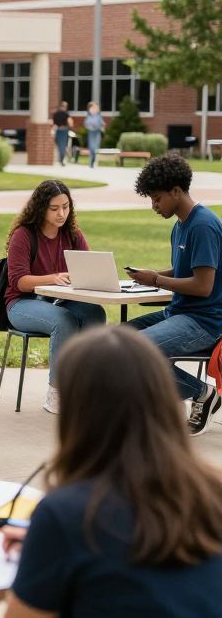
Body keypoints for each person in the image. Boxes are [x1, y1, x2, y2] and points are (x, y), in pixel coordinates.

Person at [2, 326, 222, 618]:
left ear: (78, 413)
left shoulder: (67, 514)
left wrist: (42, 555)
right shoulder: (213, 492)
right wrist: (45, 548)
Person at [125, 153, 222, 435]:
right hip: (179, 312)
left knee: (138, 350)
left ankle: (203, 393)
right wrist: (150, 275)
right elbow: (184, 271)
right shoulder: (180, 225)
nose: (154, 206)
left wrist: (156, 280)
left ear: (177, 191)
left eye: (157, 199)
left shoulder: (203, 225)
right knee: (116, 341)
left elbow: (203, 286)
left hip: (205, 321)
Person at [4, 180, 106, 414]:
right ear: (41, 208)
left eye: (66, 207)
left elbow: (87, 268)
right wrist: (53, 278)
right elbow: (18, 281)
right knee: (63, 321)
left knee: (95, 314)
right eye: (54, 208)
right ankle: (56, 393)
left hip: (59, 300)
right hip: (21, 304)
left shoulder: (72, 235)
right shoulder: (24, 235)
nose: (62, 213)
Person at [83, 102, 104, 168]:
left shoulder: (99, 115)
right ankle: (91, 162)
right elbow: (86, 124)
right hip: (91, 132)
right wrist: (91, 126)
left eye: (96, 108)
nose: (95, 109)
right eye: (93, 108)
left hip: (97, 132)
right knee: (92, 148)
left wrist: (101, 125)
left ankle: (93, 160)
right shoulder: (89, 116)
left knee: (96, 147)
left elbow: (101, 123)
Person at [52, 100, 72, 166]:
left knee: (59, 145)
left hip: (57, 130)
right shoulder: (66, 114)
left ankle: (60, 159)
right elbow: (70, 122)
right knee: (63, 145)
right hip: (64, 130)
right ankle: (61, 159)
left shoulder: (56, 113)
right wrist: (70, 128)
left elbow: (53, 123)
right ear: (65, 106)